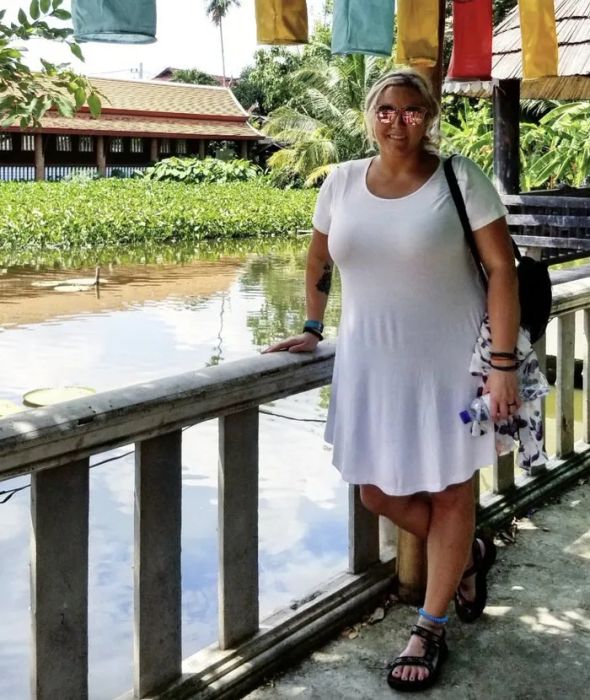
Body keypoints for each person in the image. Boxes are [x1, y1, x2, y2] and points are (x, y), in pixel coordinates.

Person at [264, 68, 520, 692]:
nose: (398, 121)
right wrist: (311, 325)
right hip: (369, 365)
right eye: (386, 109)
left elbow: (501, 269)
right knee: (376, 492)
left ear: (429, 116)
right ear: (368, 114)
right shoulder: (343, 182)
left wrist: (503, 365)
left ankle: (428, 627)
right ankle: (468, 555)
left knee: (453, 491)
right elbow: (320, 256)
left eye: (411, 111)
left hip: (451, 363)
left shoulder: (460, 179)